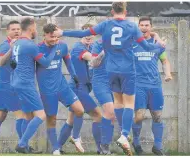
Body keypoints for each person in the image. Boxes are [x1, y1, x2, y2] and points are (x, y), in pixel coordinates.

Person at [54, 2, 165, 155]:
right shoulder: (131, 27)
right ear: (126, 11)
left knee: (115, 106)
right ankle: (124, 136)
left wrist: (63, 32)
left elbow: (83, 33)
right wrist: (161, 46)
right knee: (127, 104)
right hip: (124, 71)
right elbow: (146, 46)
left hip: (111, 72)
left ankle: (104, 145)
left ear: (112, 11)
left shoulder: (105, 26)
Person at [36, 23, 84, 155]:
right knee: (52, 120)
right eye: (51, 37)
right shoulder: (37, 49)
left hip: (62, 86)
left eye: (56, 37)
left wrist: (74, 76)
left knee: (79, 110)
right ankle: (56, 148)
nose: (54, 40)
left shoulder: (62, 45)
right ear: (44, 35)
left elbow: (68, 61)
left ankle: (75, 136)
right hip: (47, 90)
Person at [11, 17, 56, 153]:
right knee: (41, 115)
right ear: (31, 29)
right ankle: (22, 144)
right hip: (25, 84)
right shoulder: (30, 45)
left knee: (28, 116)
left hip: (17, 82)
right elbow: (46, 62)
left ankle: (25, 147)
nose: (36, 31)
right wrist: (54, 47)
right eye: (35, 28)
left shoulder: (17, 43)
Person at [58, 24, 103, 154]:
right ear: (80, 35)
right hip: (78, 88)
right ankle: (99, 149)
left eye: (90, 34)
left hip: (83, 88)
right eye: (85, 33)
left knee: (71, 119)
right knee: (98, 116)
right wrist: (107, 50)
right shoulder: (79, 48)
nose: (88, 36)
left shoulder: (91, 47)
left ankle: (58, 148)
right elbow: (93, 60)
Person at [131, 16, 172, 156]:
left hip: (155, 86)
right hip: (138, 85)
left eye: (147, 25)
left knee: (157, 116)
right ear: (138, 27)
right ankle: (135, 142)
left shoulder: (157, 44)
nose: (144, 27)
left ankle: (158, 146)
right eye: (141, 25)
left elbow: (165, 61)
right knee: (139, 116)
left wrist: (168, 74)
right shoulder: (133, 43)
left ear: (151, 27)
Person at [0, 20, 25, 153]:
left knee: (0, 116)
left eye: (18, 29)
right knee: (22, 115)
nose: (16, 31)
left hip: (4, 86)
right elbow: (1, 62)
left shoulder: (20, 45)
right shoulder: (5, 45)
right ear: (7, 31)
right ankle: (23, 146)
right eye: (13, 29)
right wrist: (11, 49)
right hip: (7, 87)